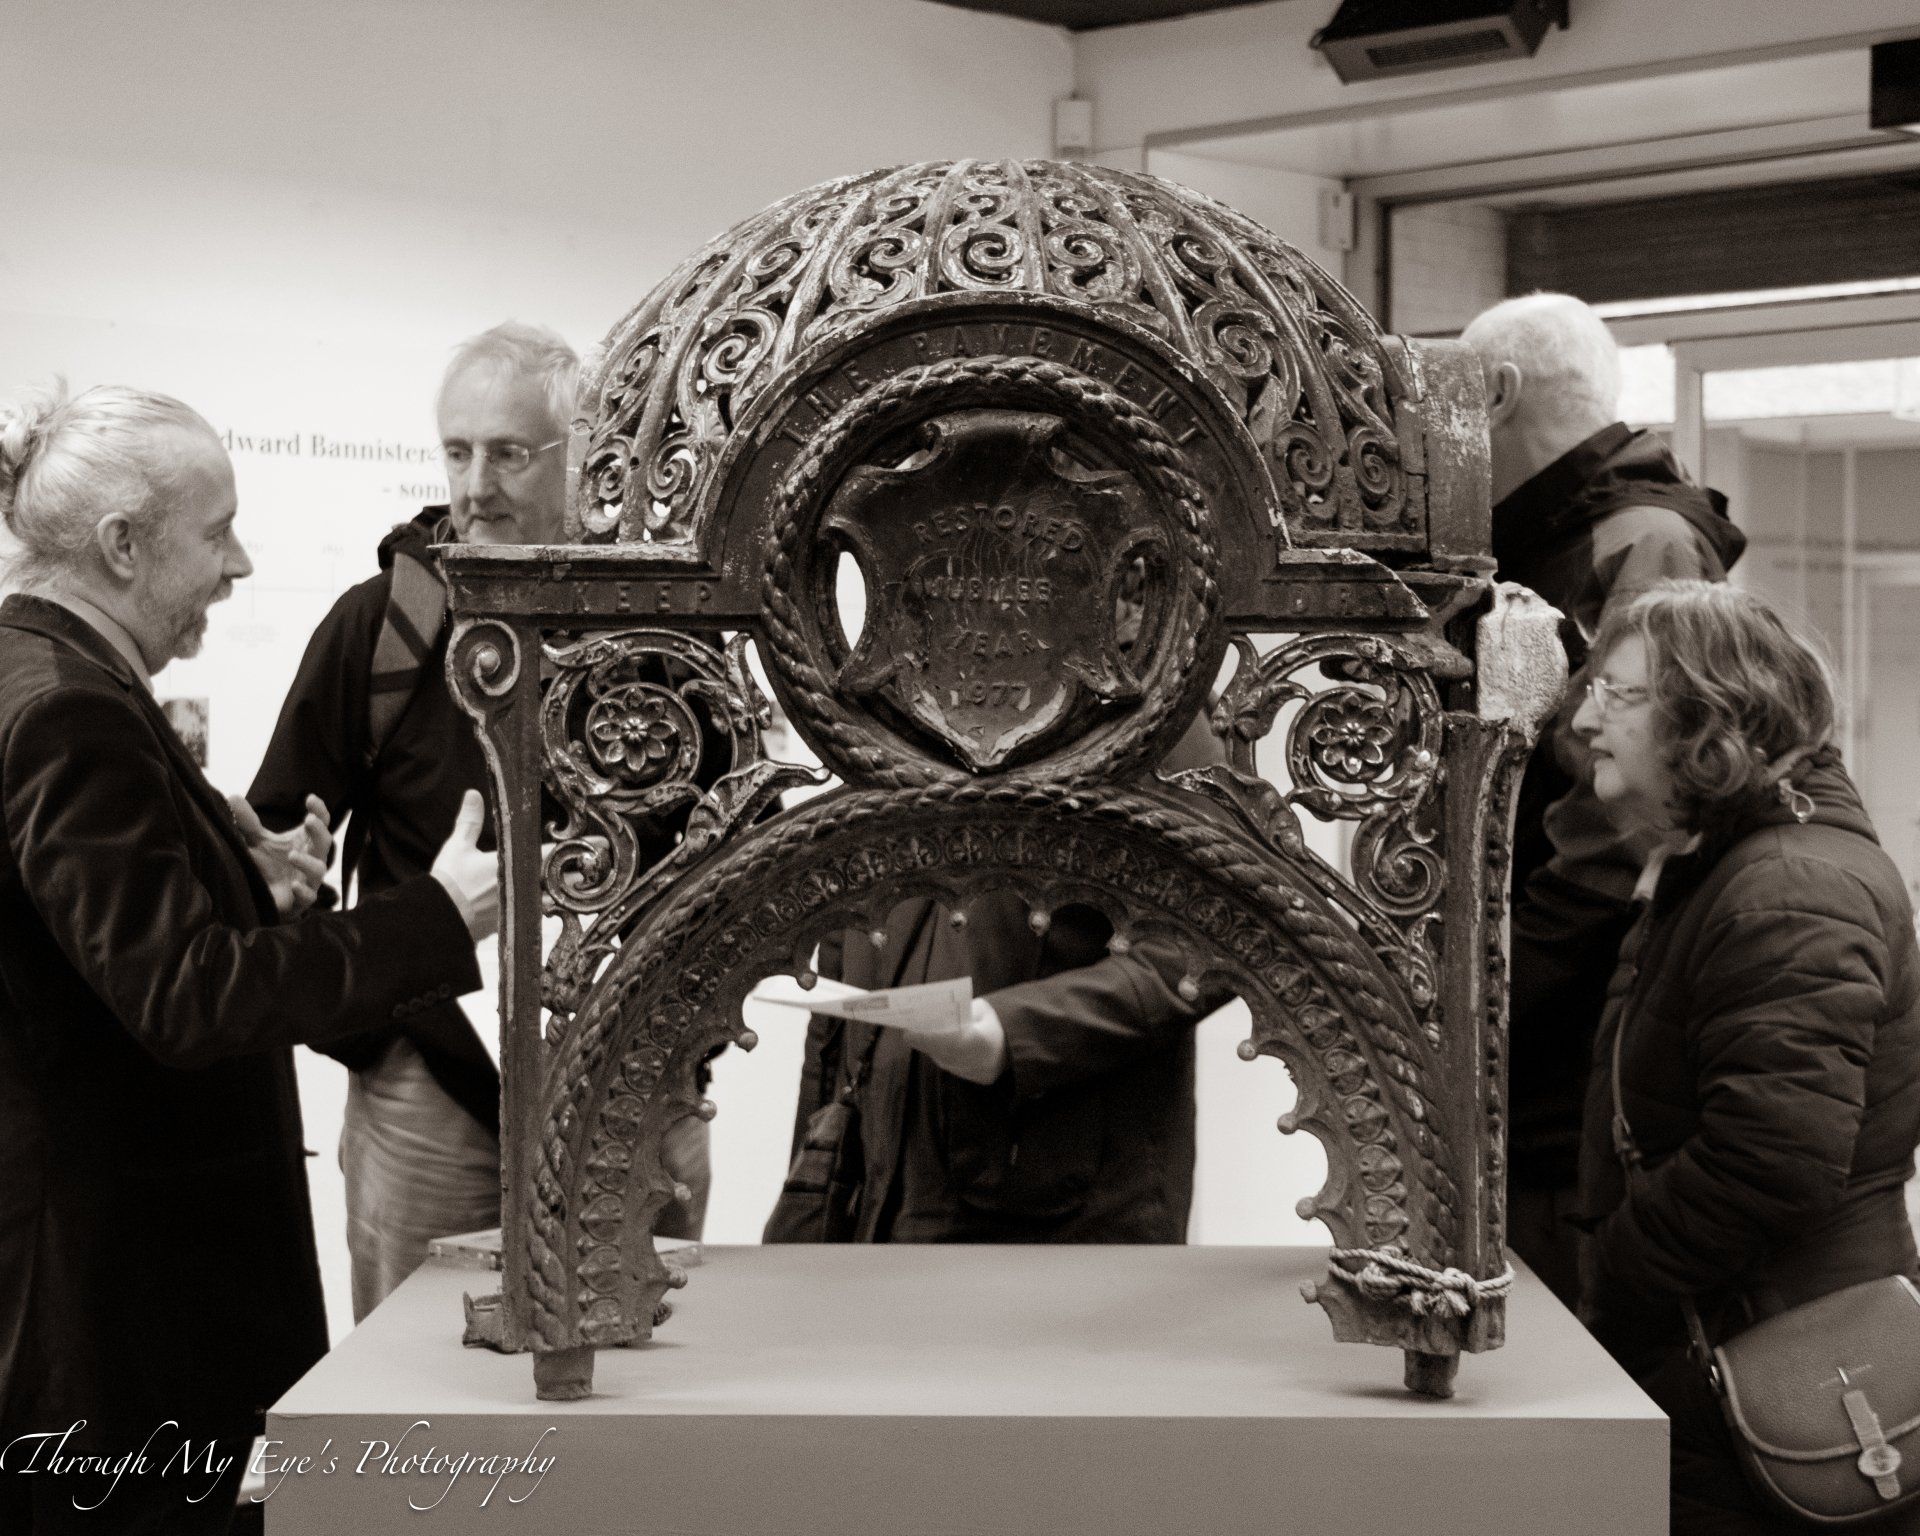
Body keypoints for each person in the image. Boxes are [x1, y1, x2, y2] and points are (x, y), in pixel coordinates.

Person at [0, 383, 496, 1533]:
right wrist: (436, 918)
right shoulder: (73, 711)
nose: (240, 565)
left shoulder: (43, 676)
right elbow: (183, 998)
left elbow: (90, 953)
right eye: (216, 532)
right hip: (123, 1298)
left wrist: (245, 884)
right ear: (123, 546)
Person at [250, 321, 712, 1322]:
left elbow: (723, 845)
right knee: (413, 1376)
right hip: (429, 1089)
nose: (476, 483)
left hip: (633, 1081)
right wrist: (369, 1031)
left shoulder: (659, 627)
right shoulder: (378, 626)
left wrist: (685, 1054)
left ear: (580, 458)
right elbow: (277, 844)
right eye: (457, 450)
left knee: (650, 1369)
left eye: (508, 452)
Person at [1570, 580, 1920, 1534]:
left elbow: (1773, 1159)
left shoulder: (1789, 884)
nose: (1585, 714)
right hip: (1744, 1344)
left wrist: (1616, 1265)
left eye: (1620, 694)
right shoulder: (1745, 865)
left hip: (1777, 1359)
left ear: (1708, 716)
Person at [1459, 292, 1746, 1306]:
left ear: (1492, 395)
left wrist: (1495, 985)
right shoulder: (1552, 541)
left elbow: (1616, 820)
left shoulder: (1638, 546)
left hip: (1566, 1032)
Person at [765, 707, 1226, 1244]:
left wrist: (1016, 1033)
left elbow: (1215, 931)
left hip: (1060, 1225)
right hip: (879, 1199)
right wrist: (811, 1192)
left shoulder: (1148, 685)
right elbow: (843, 947)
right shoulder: (885, 687)